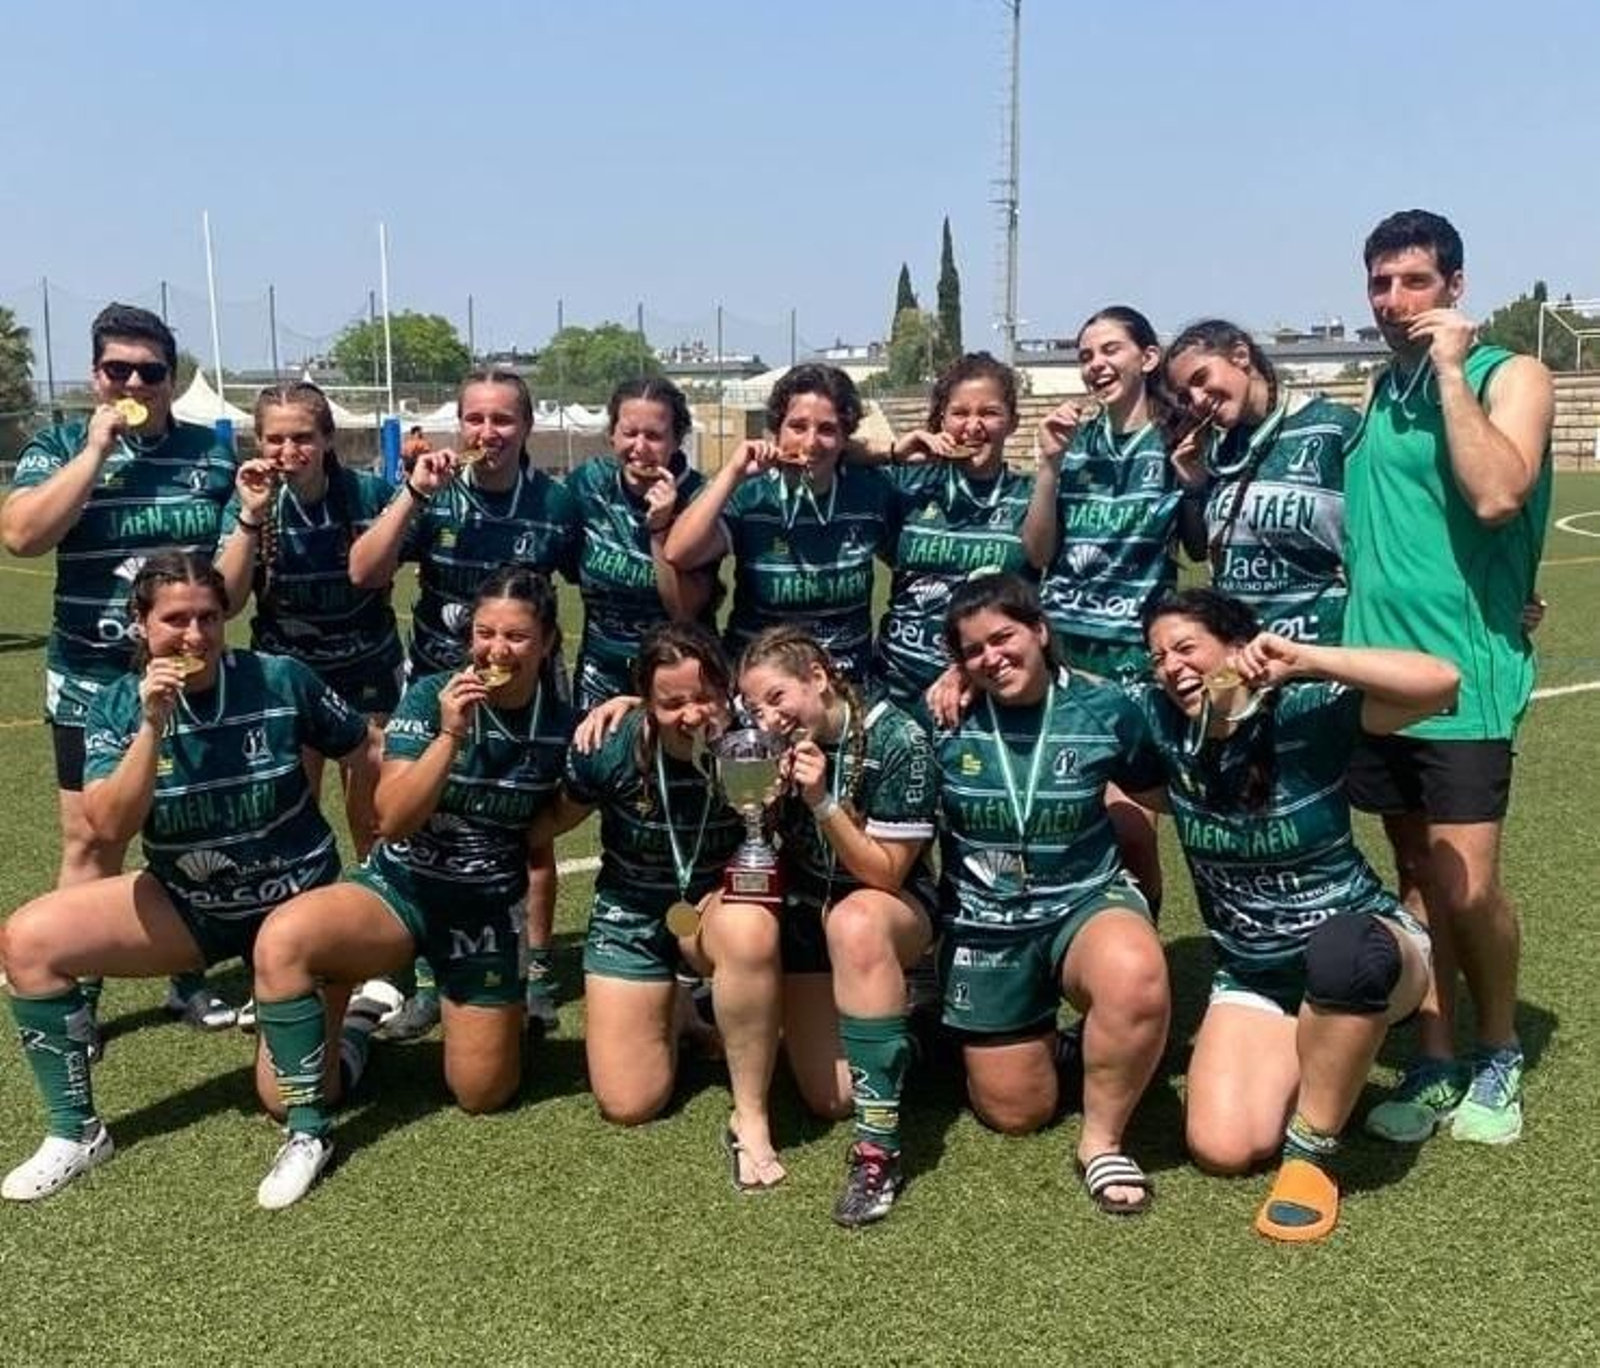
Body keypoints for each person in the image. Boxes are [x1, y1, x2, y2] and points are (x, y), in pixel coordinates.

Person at [0, 553, 375, 1201]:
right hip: (190, 904)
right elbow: (108, 826)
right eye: (175, 619)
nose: (195, 635)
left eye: (208, 618)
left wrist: (380, 849)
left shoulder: (280, 678)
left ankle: (348, 1045)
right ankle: (76, 1132)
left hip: (296, 908)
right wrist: (152, 725)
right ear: (141, 624)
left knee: (288, 1096)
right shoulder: (117, 705)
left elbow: (367, 751)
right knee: (29, 939)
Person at [248, 566, 575, 1209]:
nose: (496, 650)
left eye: (516, 636)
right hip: (401, 890)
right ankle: (336, 1066)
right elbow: (391, 818)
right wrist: (451, 735)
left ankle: (499, 1011)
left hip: (483, 910)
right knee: (282, 1051)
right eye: (485, 633)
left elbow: (572, 801)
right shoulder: (431, 696)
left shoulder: (562, 722)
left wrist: (625, 708)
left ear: (546, 643)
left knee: (483, 1094)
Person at [1140, 588, 1458, 1241]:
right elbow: (1066, 692)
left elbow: (1440, 681)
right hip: (1255, 976)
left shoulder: (1305, 711)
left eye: (1186, 647)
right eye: (1158, 657)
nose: (1171, 666)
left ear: (1238, 647)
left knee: (1344, 955)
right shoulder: (1161, 724)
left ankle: (1310, 1156)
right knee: (1223, 1148)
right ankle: (1325, 1051)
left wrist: (1305, 659)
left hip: (1369, 948)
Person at [1342, 210, 1554, 1147]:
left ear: (1456, 287)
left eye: (1415, 282)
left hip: (1465, 677)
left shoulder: (1511, 374)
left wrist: (1451, 372)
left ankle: (1497, 1050)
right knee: (1417, 878)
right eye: (1380, 283)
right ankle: (1433, 1059)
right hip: (1382, 671)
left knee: (1468, 886)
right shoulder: (1377, 393)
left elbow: (1498, 494)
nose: (1394, 301)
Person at [0, 303, 240, 1036]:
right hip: (87, 677)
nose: (134, 383)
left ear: (170, 377)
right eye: (118, 369)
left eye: (150, 371)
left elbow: (230, 584)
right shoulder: (60, 444)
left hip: (189, 674)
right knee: (91, 839)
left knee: (189, 824)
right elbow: (22, 537)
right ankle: (78, 994)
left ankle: (188, 981)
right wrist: (95, 453)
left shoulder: (210, 455)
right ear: (95, 374)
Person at [349, 367, 579, 1037]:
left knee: (528, 835)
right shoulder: (436, 491)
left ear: (527, 426)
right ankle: (427, 981)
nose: (488, 432)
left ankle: (534, 976)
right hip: (437, 685)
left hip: (530, 693)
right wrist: (413, 494)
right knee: (423, 825)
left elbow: (590, 585)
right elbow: (365, 571)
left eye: (503, 418)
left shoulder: (555, 502)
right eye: (475, 418)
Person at [933, 573, 1169, 1216]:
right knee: (1017, 1112)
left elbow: (1163, 794)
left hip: (1081, 901)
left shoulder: (1105, 709)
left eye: (1003, 637)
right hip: (986, 923)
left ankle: (1102, 1141)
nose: (992, 657)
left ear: (1039, 631)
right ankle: (1070, 1042)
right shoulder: (941, 716)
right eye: (973, 650)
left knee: (1136, 972)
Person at [736, 626, 936, 1225]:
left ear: (819, 678)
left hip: (889, 907)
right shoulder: (770, 744)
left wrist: (822, 801)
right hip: (809, 909)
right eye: (755, 707)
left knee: (856, 921)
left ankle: (878, 1153)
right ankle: (912, 1034)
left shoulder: (898, 738)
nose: (768, 717)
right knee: (832, 1098)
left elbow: (886, 873)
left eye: (777, 697)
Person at [1018, 305, 1200, 920]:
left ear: (1148, 358)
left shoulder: (1177, 439)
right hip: (1064, 654)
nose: (1096, 364)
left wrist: (1194, 481)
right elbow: (1038, 552)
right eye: (1086, 355)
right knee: (1065, 815)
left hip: (1134, 660)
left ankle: (1139, 949)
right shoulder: (1073, 444)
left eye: (1110, 350)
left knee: (1133, 827)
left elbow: (1201, 545)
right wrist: (1048, 466)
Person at [535, 624, 744, 1123]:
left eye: (705, 697)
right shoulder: (610, 745)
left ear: (728, 688)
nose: (692, 715)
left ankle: (695, 1011)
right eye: (672, 703)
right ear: (647, 702)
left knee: (750, 929)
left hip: (721, 910)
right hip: (630, 913)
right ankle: (675, 1008)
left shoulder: (755, 741)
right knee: (629, 1104)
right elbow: (549, 823)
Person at [216, 382, 400, 856]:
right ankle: (301, 901)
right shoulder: (247, 501)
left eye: (302, 437)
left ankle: (374, 900)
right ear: (258, 442)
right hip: (285, 676)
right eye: (275, 439)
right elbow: (227, 602)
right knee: (290, 819)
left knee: (373, 818)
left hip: (367, 670)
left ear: (327, 439)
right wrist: (250, 517)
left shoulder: (367, 493)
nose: (288, 450)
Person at [664, 363, 894, 684]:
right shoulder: (751, 495)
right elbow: (679, 552)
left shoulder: (870, 491)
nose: (811, 442)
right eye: (797, 426)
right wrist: (732, 472)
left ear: (845, 438)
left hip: (845, 684)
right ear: (776, 430)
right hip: (760, 688)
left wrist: (891, 451)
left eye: (827, 429)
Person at [1162, 319, 1359, 644]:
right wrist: (1194, 488)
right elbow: (1199, 553)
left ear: (1241, 355)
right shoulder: (1219, 452)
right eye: (1185, 395)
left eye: (1201, 378)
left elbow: (1372, 544)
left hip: (1321, 648)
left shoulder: (1334, 427)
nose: (1196, 400)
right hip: (1244, 651)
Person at [872, 352, 1036, 717]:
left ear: (1013, 422)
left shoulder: (1030, 496)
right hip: (895, 686)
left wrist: (968, 666)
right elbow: (832, 455)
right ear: (941, 420)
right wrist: (894, 452)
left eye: (989, 413)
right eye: (960, 413)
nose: (973, 426)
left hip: (983, 688)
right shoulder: (908, 485)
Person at [564, 377, 718, 711]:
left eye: (654, 436)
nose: (640, 447)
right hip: (600, 675)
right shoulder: (589, 484)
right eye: (629, 433)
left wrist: (661, 528)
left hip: (678, 682)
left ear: (677, 439)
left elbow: (684, 611)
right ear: (612, 434)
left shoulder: (699, 499)